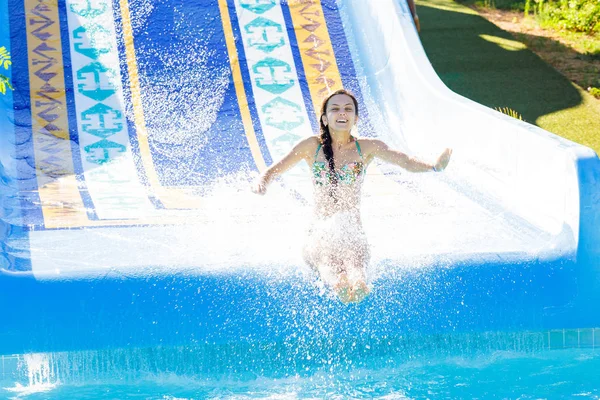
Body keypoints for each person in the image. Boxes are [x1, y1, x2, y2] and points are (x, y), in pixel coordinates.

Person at [252, 89, 451, 304]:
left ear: (355, 118)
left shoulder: (366, 147)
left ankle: (358, 283)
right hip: (320, 229)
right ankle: (338, 284)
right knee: (326, 258)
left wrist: (434, 167)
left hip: (351, 228)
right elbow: (274, 169)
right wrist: (262, 182)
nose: (342, 113)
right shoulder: (312, 146)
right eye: (335, 109)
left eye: (348, 109)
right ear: (325, 118)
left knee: (355, 258)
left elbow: (406, 161)